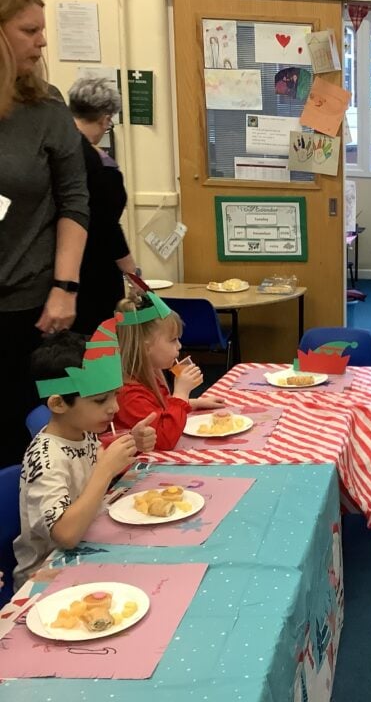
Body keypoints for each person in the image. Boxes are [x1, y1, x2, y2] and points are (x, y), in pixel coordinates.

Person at [0, 0, 89, 466]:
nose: (43, 41)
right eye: (29, 30)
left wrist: (65, 286)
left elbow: (75, 201)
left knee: (27, 428)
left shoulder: (46, 107)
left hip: (27, 301)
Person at [14, 322, 155, 588]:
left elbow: (94, 458)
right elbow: (65, 535)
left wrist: (132, 442)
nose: (114, 407)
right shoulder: (45, 458)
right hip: (47, 577)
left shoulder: (82, 431)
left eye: (115, 395)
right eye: (101, 400)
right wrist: (105, 471)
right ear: (58, 403)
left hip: (91, 546)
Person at [68, 76, 138, 335]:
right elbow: (106, 226)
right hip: (93, 274)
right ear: (105, 118)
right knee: (95, 346)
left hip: (52, 271)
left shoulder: (54, 147)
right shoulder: (98, 166)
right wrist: (133, 274)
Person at [113, 291, 224, 450]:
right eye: (173, 340)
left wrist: (193, 403)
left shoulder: (149, 374)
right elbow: (164, 439)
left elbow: (161, 409)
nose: (179, 346)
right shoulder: (129, 395)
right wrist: (181, 394)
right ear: (146, 346)